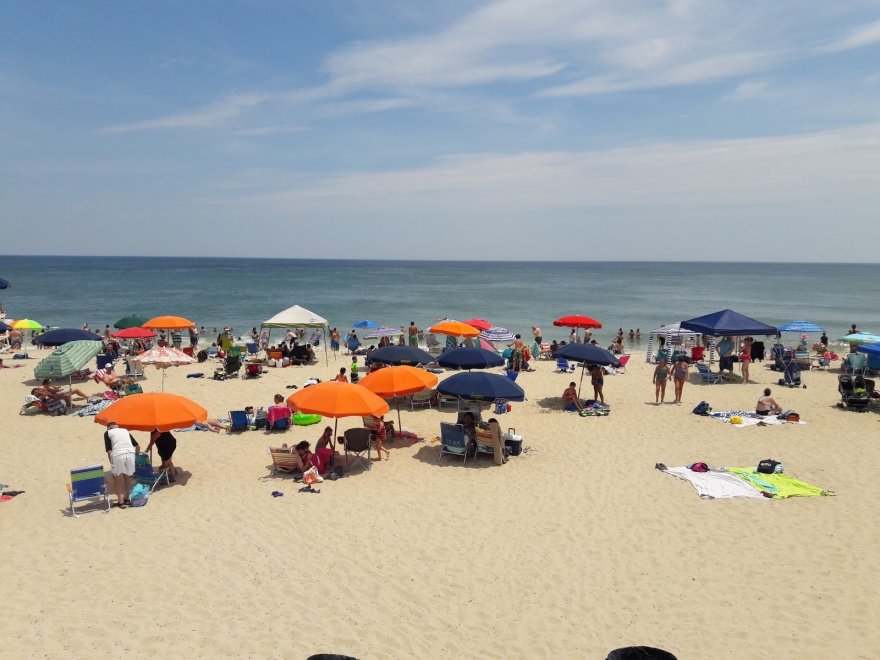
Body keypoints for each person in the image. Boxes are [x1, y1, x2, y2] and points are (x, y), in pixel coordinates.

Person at [103, 422, 139, 508]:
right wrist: (135, 456)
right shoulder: (125, 431)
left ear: (109, 428)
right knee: (128, 476)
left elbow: (109, 451)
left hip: (118, 455)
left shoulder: (107, 433)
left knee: (117, 477)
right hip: (130, 453)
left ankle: (120, 501)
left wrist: (112, 463)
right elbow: (138, 446)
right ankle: (127, 498)